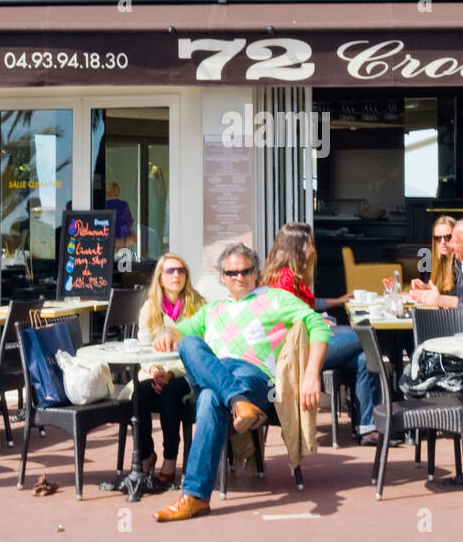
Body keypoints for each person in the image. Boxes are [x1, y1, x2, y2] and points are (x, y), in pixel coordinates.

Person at [150, 243, 330, 522]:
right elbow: (179, 331)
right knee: (189, 342)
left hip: (255, 376)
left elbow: (316, 324)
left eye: (245, 271)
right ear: (222, 277)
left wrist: (311, 374)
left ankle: (194, 497)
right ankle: (238, 402)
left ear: (256, 273)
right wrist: (166, 331)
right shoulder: (213, 309)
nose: (238, 277)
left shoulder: (276, 298)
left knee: (210, 398)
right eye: (231, 273)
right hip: (220, 374)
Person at [261, 221, 380, 440]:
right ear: (295, 247)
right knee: (365, 335)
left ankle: (367, 429)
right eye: (309, 245)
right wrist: (314, 321)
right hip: (298, 351)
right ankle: (383, 415)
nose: (314, 250)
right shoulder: (283, 281)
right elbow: (285, 321)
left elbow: (310, 302)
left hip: (308, 342)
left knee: (365, 358)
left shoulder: (291, 276)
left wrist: (338, 301)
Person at [133, 252, 206, 485]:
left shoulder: (199, 306)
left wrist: (171, 373)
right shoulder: (149, 308)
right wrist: (155, 370)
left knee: (171, 392)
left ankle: (170, 457)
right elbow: (143, 349)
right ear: (160, 278)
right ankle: (145, 455)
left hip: (185, 374)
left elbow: (201, 349)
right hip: (153, 372)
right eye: (170, 271)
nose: (176, 275)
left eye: (181, 270)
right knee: (140, 393)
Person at [410, 214, 458, 297]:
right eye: (438, 238)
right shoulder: (440, 261)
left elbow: (458, 298)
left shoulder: (459, 263)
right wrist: (425, 288)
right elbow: (442, 292)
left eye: (447, 237)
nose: (442, 242)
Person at [106, 181, 136, 253]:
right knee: (122, 260)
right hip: (123, 237)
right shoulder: (124, 204)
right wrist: (132, 233)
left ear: (108, 191)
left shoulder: (105, 205)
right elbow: (129, 222)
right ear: (118, 191)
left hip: (109, 236)